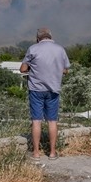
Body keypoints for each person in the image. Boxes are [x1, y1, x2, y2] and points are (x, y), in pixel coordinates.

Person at [21, 27, 70, 159]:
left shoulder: (33, 48)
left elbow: (23, 69)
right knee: (52, 121)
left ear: (38, 38)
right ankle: (52, 153)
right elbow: (66, 70)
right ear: (51, 37)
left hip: (36, 89)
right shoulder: (60, 49)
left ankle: (36, 153)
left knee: (36, 121)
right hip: (53, 89)